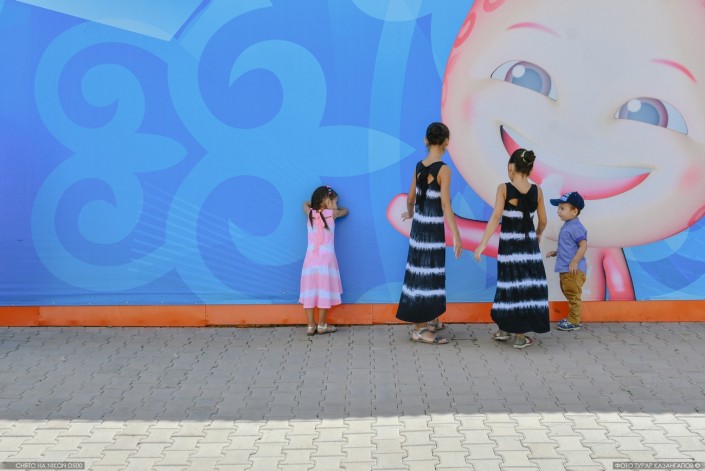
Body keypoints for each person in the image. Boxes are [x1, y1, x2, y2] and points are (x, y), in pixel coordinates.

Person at [474, 148, 550, 349]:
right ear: (530, 169)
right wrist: (538, 234)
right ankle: (519, 336)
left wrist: (483, 244)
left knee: (508, 285)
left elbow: (496, 216)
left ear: (511, 168)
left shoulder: (504, 189)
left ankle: (504, 329)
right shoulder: (537, 191)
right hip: (528, 247)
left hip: (509, 247)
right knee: (525, 287)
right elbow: (543, 220)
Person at [396, 122, 462, 344]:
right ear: (447, 142)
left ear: (426, 140)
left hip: (418, 231)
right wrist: (456, 234)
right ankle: (420, 329)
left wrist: (410, 214)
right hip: (433, 232)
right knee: (429, 275)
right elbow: (445, 205)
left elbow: (410, 199)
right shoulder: (444, 170)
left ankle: (428, 319)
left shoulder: (419, 166)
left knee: (418, 274)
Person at [299, 185, 349, 335]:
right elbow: (346, 211)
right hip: (326, 260)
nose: (336, 205)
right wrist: (334, 208)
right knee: (324, 291)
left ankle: (310, 325)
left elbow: (305, 204)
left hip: (310, 259)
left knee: (309, 291)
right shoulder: (332, 214)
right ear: (327, 202)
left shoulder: (310, 213)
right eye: (335, 202)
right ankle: (321, 325)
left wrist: (315, 205)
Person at [546, 191, 587, 331]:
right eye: (558, 208)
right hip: (566, 268)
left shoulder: (576, 227)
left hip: (573, 270)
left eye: (562, 208)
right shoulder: (568, 225)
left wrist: (574, 261)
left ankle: (574, 321)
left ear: (574, 211)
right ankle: (573, 318)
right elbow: (568, 245)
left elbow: (583, 245)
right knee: (569, 292)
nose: (558, 211)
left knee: (573, 295)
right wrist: (556, 252)